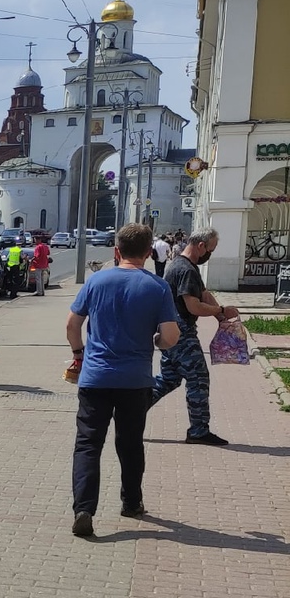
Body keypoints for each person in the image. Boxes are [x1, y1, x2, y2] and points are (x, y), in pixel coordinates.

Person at [67, 223, 180, 538]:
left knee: (88, 444)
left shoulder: (97, 280)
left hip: (95, 378)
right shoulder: (157, 287)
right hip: (135, 380)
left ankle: (84, 509)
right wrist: (155, 340)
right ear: (148, 253)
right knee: (130, 444)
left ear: (116, 251)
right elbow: (170, 337)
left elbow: (72, 325)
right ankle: (131, 502)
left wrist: (79, 353)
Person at [149, 227, 234, 446]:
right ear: (200, 246)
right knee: (198, 379)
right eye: (210, 249)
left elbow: (204, 294)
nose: (210, 254)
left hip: (173, 332)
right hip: (181, 334)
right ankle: (198, 431)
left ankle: (129, 411)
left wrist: (221, 316)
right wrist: (221, 310)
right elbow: (194, 306)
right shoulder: (185, 269)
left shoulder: (186, 266)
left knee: (168, 379)